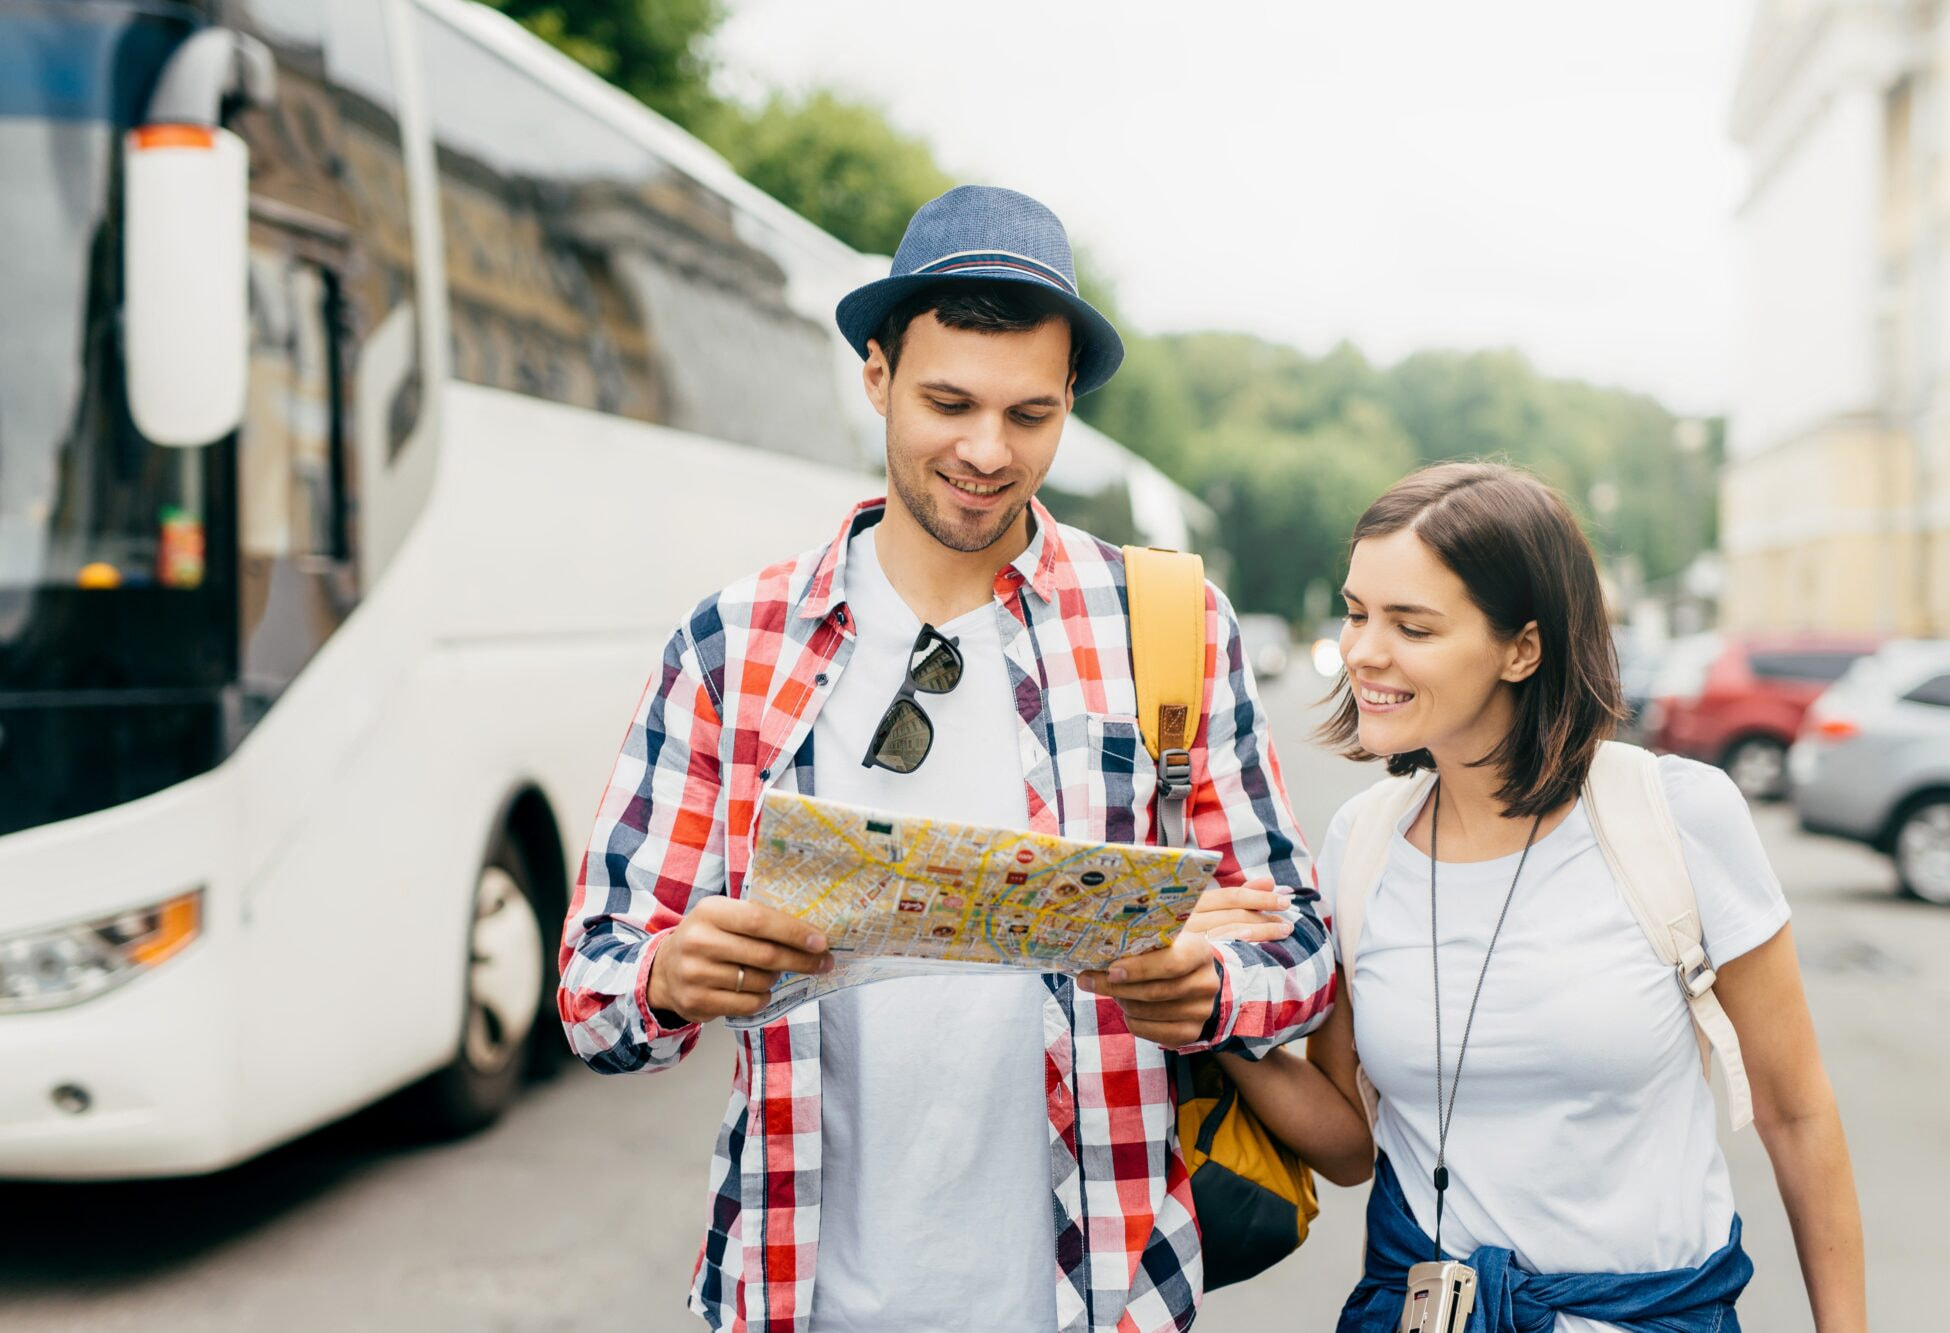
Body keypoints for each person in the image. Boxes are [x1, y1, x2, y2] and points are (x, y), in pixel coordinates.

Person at [555, 185, 1336, 1333]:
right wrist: (669, 977)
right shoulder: (731, 645)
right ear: (874, 375)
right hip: (797, 1294)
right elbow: (592, 988)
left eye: (1028, 414)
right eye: (947, 402)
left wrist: (1211, 994)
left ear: (1069, 398)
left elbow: (1299, 943)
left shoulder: (1166, 623)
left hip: (1103, 1296)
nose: (984, 451)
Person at [1191, 462, 1866, 1331]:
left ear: (1523, 647)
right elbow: (1352, 1145)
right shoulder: (1361, 841)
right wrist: (1212, 1010)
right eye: (1358, 613)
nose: (1362, 650)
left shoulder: (1676, 816)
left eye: (1413, 625)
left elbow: (1798, 1110)